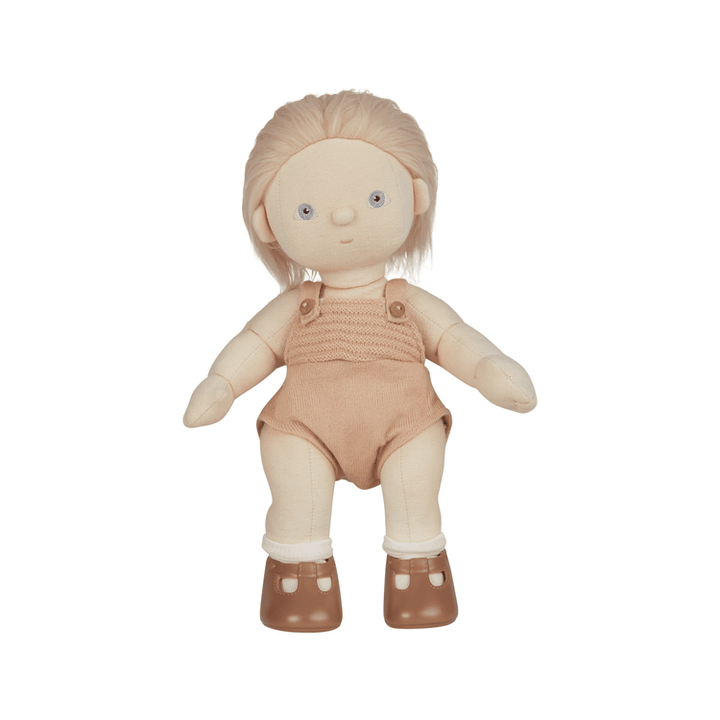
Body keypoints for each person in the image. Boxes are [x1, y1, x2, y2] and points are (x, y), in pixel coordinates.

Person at [184, 91, 537, 631]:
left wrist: (490, 367)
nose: (344, 216)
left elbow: (454, 340)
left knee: (416, 485)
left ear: (414, 195)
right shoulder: (297, 305)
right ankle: (299, 582)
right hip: (305, 426)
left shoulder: (407, 301)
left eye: (375, 199)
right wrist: (222, 383)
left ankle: (418, 574)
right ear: (268, 223)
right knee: (295, 489)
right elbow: (255, 343)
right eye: (306, 211)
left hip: (405, 423)